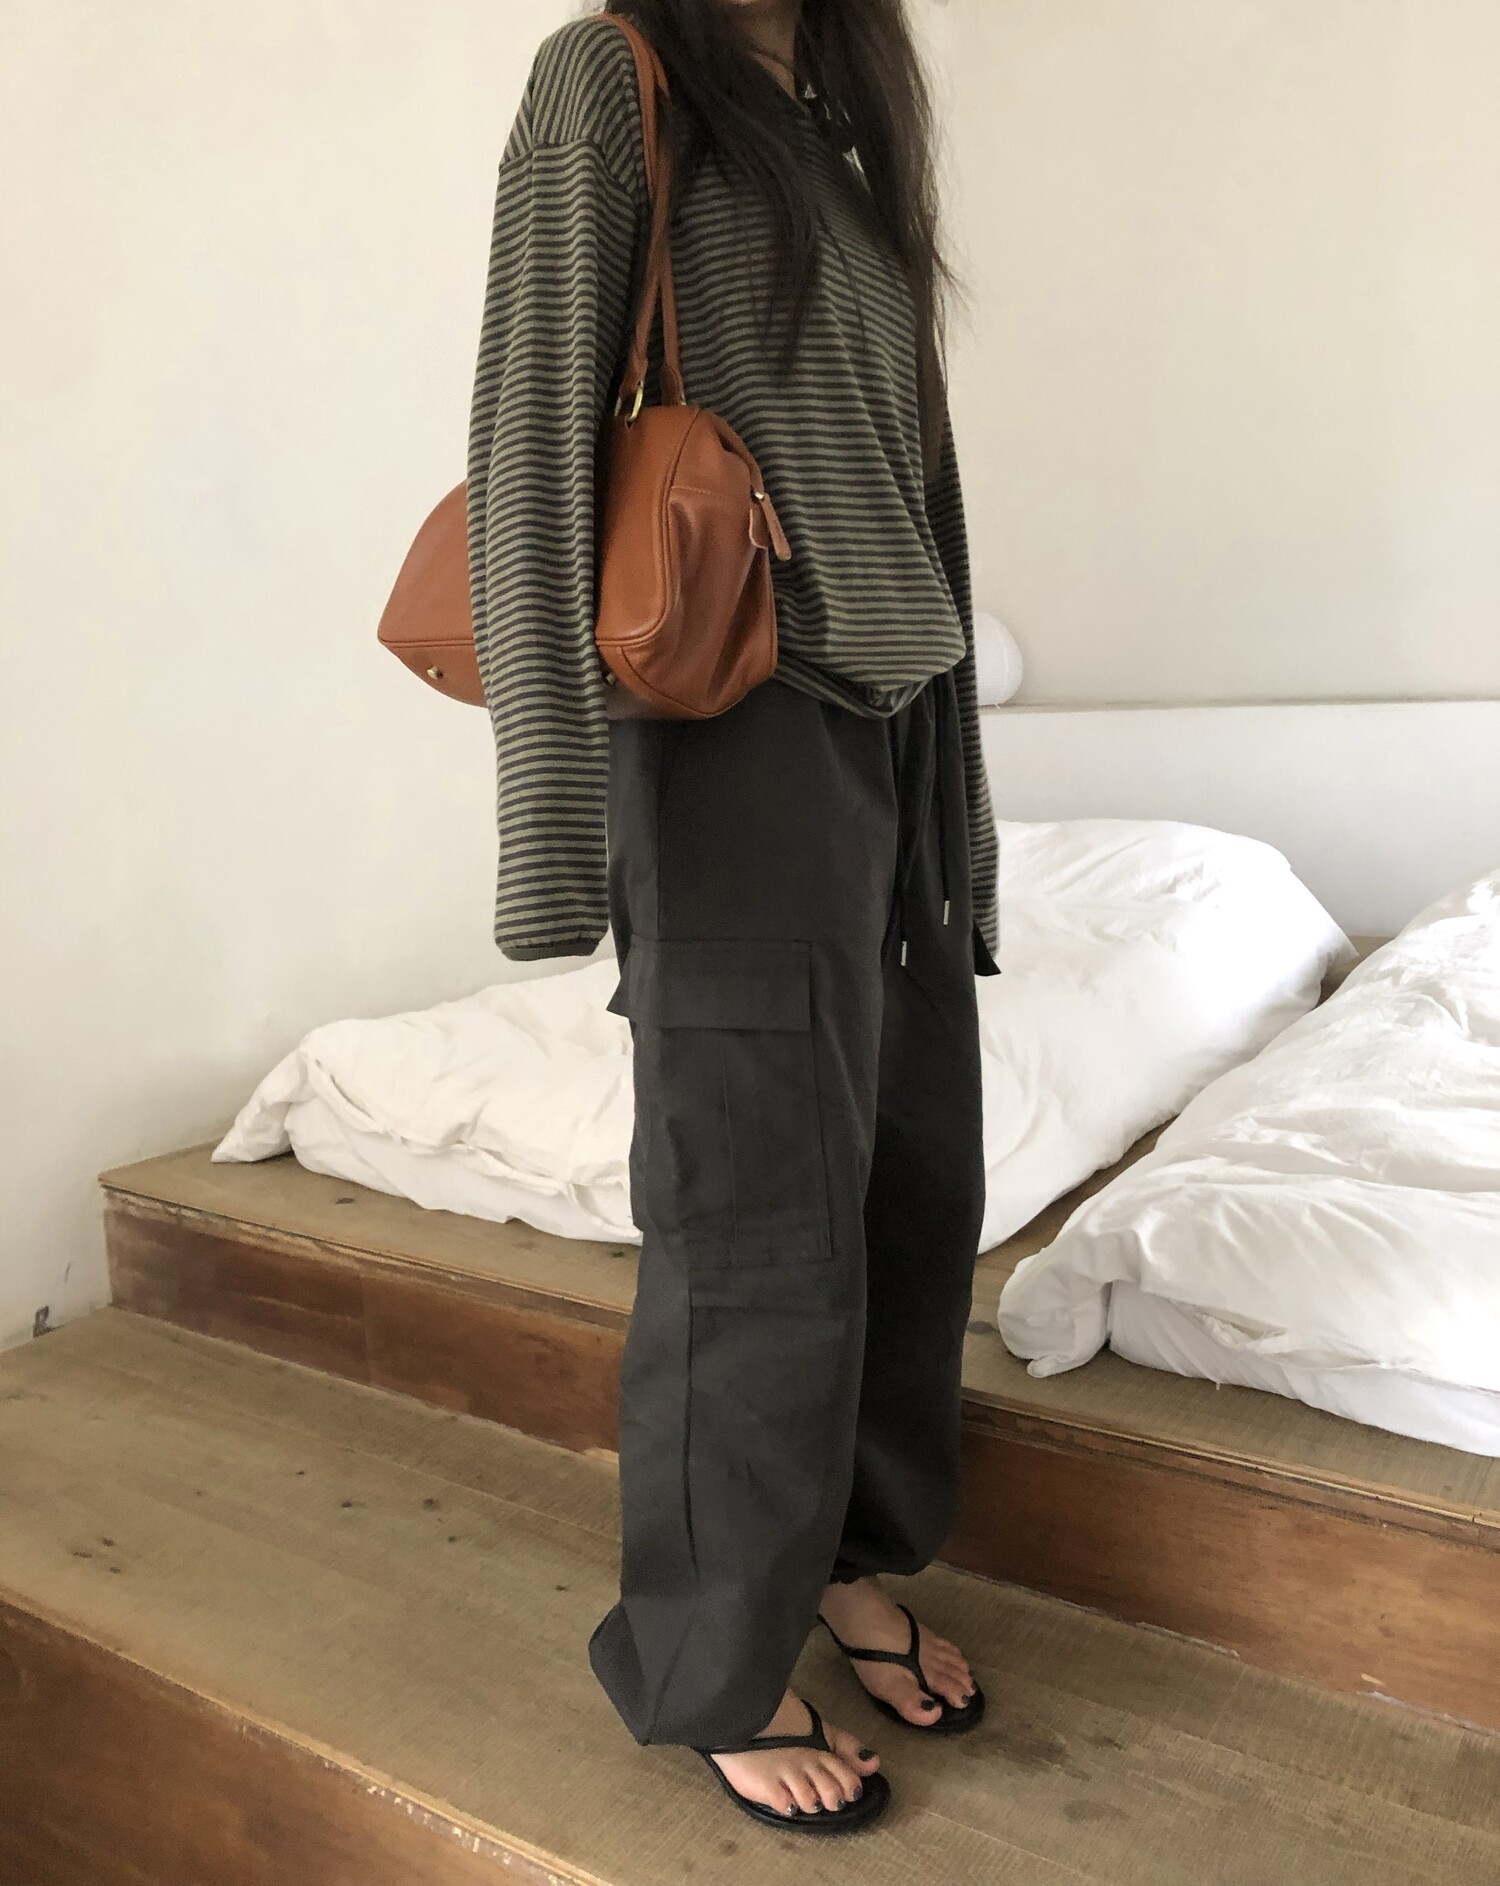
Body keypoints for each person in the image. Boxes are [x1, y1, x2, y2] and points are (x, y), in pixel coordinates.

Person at [465, 0, 1000, 1835]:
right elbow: (531, 455)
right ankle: (708, 1657)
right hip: (736, 732)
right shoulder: (612, 79)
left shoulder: (837, 132)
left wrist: (961, 818)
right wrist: (549, 832)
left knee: (913, 1185)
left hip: (892, 733)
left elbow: (919, 511)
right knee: (757, 1213)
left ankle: (845, 1557)